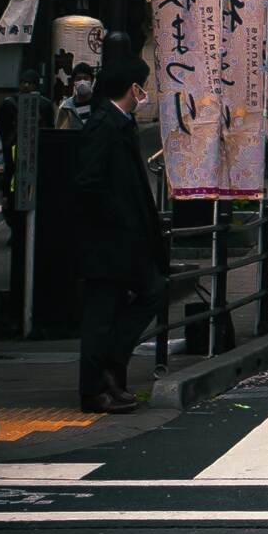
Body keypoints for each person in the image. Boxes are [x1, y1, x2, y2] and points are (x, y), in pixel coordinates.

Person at [74, 56, 167, 415]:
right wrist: (119, 221)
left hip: (123, 240)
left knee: (151, 291)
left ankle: (110, 371)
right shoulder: (103, 125)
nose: (145, 93)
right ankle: (95, 388)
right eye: (142, 86)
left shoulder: (118, 123)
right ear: (133, 89)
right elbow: (89, 184)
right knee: (102, 314)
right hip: (108, 241)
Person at [0, 69, 56, 238]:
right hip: (13, 154)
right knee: (11, 191)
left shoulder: (44, 104)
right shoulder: (8, 104)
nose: (25, 85)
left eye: (29, 82)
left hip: (35, 155)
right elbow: (2, 130)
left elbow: (48, 130)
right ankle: (15, 227)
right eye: (23, 81)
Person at [56, 63, 97, 131]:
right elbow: (59, 133)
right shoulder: (66, 107)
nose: (82, 82)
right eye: (78, 79)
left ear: (92, 81)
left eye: (86, 78)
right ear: (73, 82)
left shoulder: (100, 106)